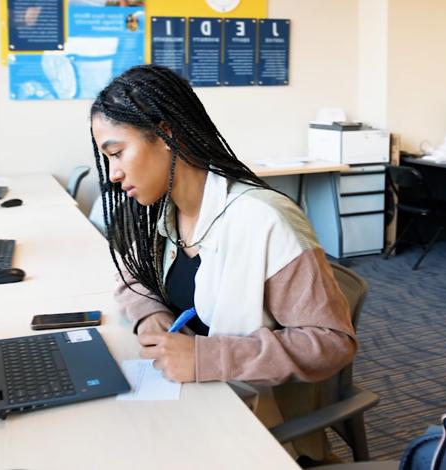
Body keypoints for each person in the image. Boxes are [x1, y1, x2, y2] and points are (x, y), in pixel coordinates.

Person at [89, 64, 357, 466]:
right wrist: (150, 315)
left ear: (166, 134)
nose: (112, 175)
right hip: (190, 403)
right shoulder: (159, 211)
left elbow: (333, 343)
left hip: (251, 422)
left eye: (117, 153)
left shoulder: (263, 220)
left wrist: (207, 357)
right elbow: (132, 273)